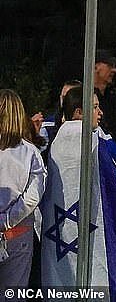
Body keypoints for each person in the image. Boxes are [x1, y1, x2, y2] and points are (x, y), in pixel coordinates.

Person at [0, 89, 47, 296]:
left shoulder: (30, 151)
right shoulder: (31, 153)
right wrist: (7, 220)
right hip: (17, 233)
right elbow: (33, 197)